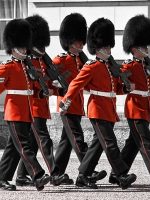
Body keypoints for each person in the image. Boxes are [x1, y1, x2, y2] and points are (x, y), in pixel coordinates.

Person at [59, 17, 136, 189]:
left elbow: (114, 89)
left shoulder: (108, 67)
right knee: (110, 143)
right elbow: (75, 84)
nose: (108, 49)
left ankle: (83, 175)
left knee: (98, 145)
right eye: (105, 47)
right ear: (96, 48)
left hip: (108, 109)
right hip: (97, 109)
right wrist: (66, 101)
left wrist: (127, 89)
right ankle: (121, 175)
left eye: (109, 46)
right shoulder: (91, 66)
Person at [108, 15, 150, 189]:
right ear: (134, 48)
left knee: (133, 144)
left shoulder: (148, 67)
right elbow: (116, 85)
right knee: (146, 142)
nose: (146, 49)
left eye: (146, 46)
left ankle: (116, 174)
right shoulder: (128, 66)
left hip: (145, 108)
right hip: (135, 108)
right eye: (142, 46)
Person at [0, 18, 50, 191]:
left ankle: (1, 178)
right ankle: (38, 174)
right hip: (14, 112)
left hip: (27, 111)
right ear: (12, 48)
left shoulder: (27, 65)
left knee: (13, 147)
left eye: (24, 46)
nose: (24, 49)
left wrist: (43, 91)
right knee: (24, 145)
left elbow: (33, 87)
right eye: (21, 47)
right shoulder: (6, 66)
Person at [53, 13, 106, 185]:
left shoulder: (82, 60)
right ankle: (88, 170)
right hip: (66, 106)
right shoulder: (59, 60)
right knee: (77, 138)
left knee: (66, 142)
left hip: (78, 105)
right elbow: (48, 79)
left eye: (82, 41)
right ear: (69, 41)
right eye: (78, 41)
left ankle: (57, 174)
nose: (81, 44)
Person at [15, 14, 65, 187]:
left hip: (41, 106)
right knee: (44, 139)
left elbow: (50, 81)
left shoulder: (43, 60)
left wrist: (59, 88)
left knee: (33, 142)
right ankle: (55, 172)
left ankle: (21, 176)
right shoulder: (27, 61)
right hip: (32, 106)